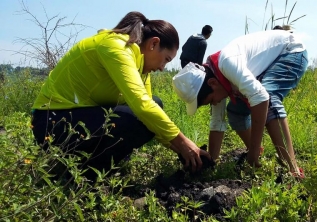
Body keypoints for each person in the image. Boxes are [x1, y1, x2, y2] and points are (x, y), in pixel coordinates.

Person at [31, 11, 211, 181]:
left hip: (79, 119)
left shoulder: (140, 66)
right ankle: (84, 175)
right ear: (153, 44)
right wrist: (183, 141)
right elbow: (141, 106)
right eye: (166, 59)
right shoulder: (117, 47)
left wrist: (182, 150)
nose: (163, 67)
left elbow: (150, 108)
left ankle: (95, 166)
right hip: (50, 122)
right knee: (134, 117)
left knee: (155, 103)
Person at [172, 30, 307, 177]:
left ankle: (293, 171)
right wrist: (211, 161)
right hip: (264, 68)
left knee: (269, 99)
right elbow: (217, 123)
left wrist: (252, 154)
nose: (215, 102)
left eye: (211, 100)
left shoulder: (227, 64)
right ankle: (256, 152)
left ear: (212, 83)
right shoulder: (214, 78)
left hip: (290, 51)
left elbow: (262, 98)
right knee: (236, 112)